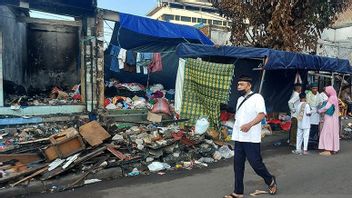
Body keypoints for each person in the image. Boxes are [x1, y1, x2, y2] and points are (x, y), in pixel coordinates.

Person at [224, 75, 277, 198]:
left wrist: (249, 124)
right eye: (238, 85)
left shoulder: (257, 97)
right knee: (238, 166)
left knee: (256, 164)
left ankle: (270, 180)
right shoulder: (239, 99)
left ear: (249, 85)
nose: (239, 87)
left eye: (241, 84)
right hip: (239, 137)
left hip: (251, 138)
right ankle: (238, 192)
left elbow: (261, 114)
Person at [318, 86, 340, 156]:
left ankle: (327, 149)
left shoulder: (332, 98)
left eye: (327, 92)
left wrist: (319, 110)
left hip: (330, 118)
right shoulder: (334, 97)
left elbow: (326, 107)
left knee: (327, 132)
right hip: (333, 118)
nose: (326, 93)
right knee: (332, 132)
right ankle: (333, 148)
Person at [306, 82, 320, 148]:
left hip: (317, 113)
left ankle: (314, 143)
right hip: (310, 113)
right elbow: (307, 104)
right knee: (310, 128)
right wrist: (311, 110)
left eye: (316, 88)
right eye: (314, 88)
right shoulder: (308, 94)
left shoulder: (318, 94)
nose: (315, 90)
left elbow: (320, 103)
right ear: (311, 89)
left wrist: (318, 108)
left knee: (316, 127)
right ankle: (309, 144)